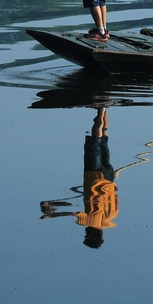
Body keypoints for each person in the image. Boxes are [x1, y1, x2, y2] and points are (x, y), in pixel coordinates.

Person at [40, 107, 118, 249]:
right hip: (94, 176)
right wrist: (51, 214)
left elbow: (116, 199)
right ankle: (101, 109)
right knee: (95, 140)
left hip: (109, 178)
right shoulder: (89, 221)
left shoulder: (111, 219)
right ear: (90, 234)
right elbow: (72, 213)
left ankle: (106, 110)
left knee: (104, 139)